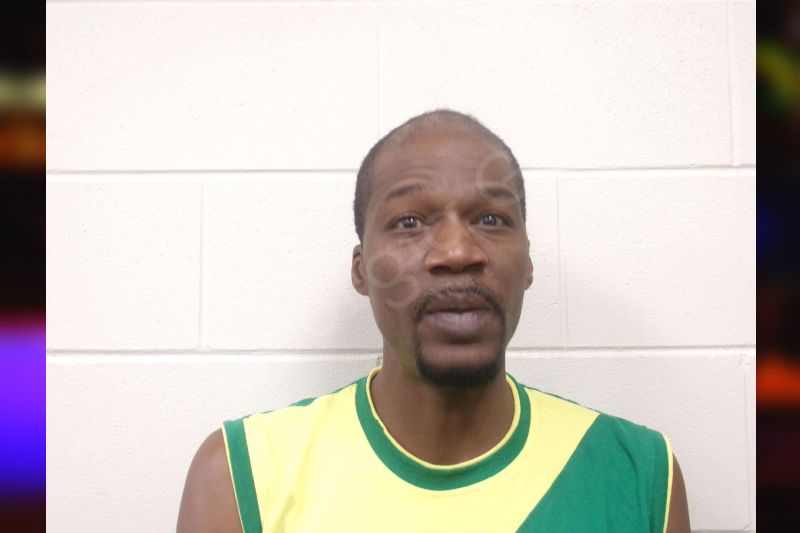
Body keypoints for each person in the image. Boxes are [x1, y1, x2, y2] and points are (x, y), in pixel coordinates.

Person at [177, 110, 690, 532]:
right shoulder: (240, 477)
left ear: (528, 262)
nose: (457, 252)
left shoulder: (640, 474)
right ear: (361, 269)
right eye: (409, 222)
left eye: (491, 219)